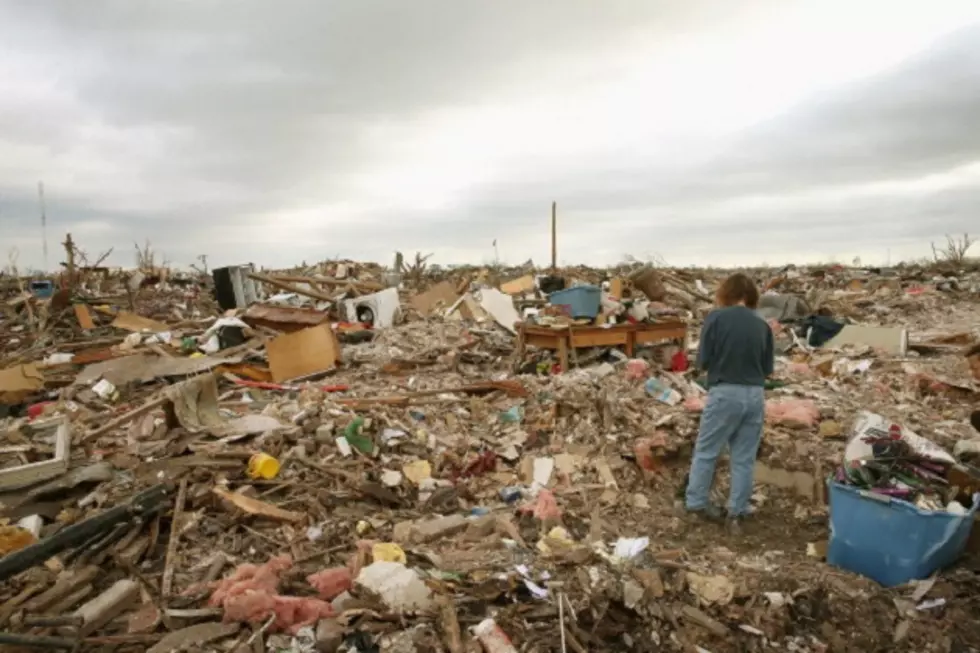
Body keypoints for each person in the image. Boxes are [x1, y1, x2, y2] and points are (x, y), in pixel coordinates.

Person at [684, 272, 774, 533]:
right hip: (755, 395)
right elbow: (768, 368)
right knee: (744, 458)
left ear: (726, 293)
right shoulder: (762, 324)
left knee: (707, 451)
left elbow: (703, 360)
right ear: (751, 296)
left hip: (725, 392)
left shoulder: (716, 317)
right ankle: (737, 512)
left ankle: (696, 504)